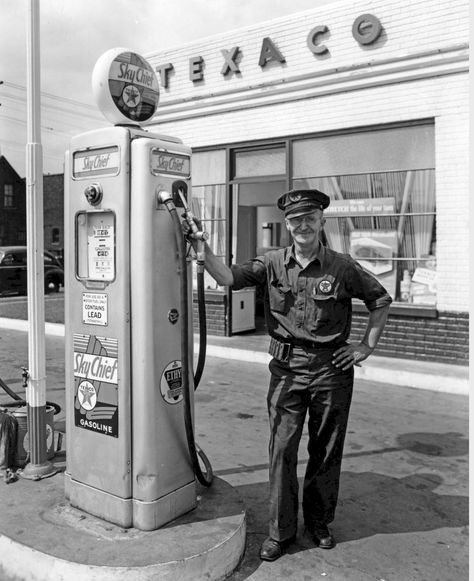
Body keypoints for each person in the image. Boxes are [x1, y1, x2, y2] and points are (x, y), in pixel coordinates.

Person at [183, 189, 392, 561]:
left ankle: (319, 523)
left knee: (326, 450)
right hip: (286, 371)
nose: (304, 225)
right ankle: (281, 532)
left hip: (332, 370)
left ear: (321, 222)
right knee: (282, 451)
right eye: (297, 219)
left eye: (310, 218)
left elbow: (379, 300)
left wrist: (365, 347)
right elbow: (228, 277)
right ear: (287, 225)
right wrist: (204, 248)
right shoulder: (272, 264)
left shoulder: (341, 267)